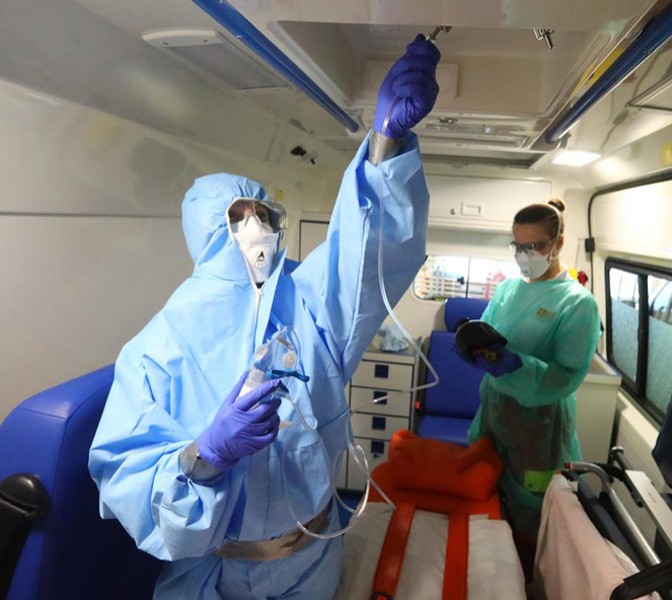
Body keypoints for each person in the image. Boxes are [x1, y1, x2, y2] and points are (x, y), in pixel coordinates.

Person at [88, 34, 440, 600]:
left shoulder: (308, 298)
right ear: (209, 233)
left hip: (313, 557)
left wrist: (384, 144)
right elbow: (127, 480)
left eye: (263, 212)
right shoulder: (159, 346)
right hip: (220, 572)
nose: (255, 227)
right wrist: (204, 454)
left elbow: (365, 257)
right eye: (238, 216)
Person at [465, 198, 602, 570]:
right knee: (485, 491)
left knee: (531, 508)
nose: (525, 255)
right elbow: (489, 329)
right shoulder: (510, 289)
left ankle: (526, 579)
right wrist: (479, 350)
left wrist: (518, 366)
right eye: (518, 246)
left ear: (557, 244)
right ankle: (488, 572)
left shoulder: (578, 304)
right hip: (494, 415)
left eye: (535, 246)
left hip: (538, 428)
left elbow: (565, 377)